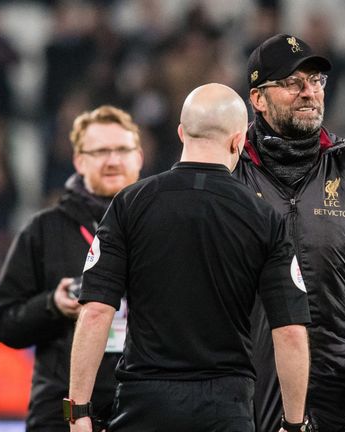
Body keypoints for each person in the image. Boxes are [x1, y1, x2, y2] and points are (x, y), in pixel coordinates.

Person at [67, 83, 311, 432]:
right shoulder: (265, 218)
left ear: (183, 132)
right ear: (238, 140)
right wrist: (293, 423)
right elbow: (289, 332)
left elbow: (94, 312)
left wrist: (78, 413)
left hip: (144, 405)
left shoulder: (129, 204)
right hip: (225, 408)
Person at [235, 33, 345, 432]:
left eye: (315, 81)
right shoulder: (230, 177)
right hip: (247, 398)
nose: (309, 92)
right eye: (292, 83)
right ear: (258, 99)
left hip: (342, 401)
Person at [0, 105, 144, 431]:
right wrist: (52, 305)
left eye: (122, 149)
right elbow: (4, 323)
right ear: (79, 160)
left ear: (139, 156)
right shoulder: (44, 229)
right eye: (100, 151)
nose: (113, 160)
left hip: (142, 406)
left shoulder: (163, 224)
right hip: (60, 410)